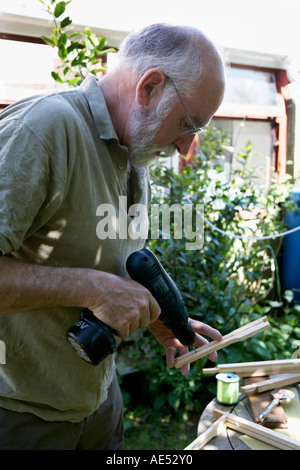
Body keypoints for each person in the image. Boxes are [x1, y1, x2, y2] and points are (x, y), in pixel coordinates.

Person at [0, 23, 225, 450]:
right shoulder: (45, 129)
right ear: (150, 86)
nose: (185, 147)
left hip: (100, 402)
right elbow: (96, 283)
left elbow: (116, 258)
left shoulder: (135, 153)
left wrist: (160, 318)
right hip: (22, 415)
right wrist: (93, 288)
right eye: (187, 123)